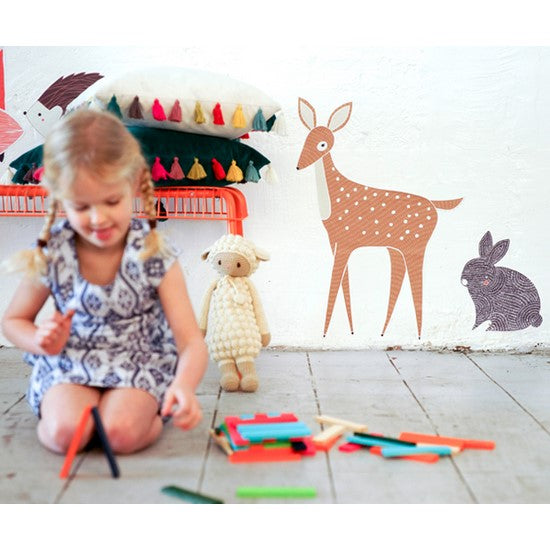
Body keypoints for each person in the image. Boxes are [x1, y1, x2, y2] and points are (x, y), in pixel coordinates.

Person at [1, 109, 208, 455]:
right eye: (81, 207)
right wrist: (40, 340)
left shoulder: (153, 253)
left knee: (120, 435)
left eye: (112, 201)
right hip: (70, 361)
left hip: (138, 362)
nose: (98, 218)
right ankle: (78, 416)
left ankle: (144, 416)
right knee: (65, 435)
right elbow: (13, 320)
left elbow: (191, 342)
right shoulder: (55, 250)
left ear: (134, 184)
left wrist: (184, 387)